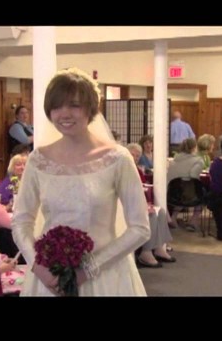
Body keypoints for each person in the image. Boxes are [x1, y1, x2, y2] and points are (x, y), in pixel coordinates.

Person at [12, 67, 150, 296]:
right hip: (50, 278)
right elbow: (21, 221)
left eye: (74, 105)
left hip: (105, 276)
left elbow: (140, 228)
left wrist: (88, 269)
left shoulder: (117, 158)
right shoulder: (38, 160)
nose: (64, 114)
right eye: (56, 107)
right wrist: (38, 267)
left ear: (90, 109)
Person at [125, 143, 175, 268]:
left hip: (139, 202)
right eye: (133, 155)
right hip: (127, 205)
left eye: (137, 156)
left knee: (161, 212)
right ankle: (146, 252)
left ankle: (159, 247)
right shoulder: (124, 170)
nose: (135, 158)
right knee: (151, 215)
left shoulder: (138, 170)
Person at [166, 138, 206, 232]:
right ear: (194, 148)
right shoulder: (198, 160)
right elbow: (193, 175)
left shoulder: (174, 160)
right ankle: (193, 221)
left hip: (171, 193)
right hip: (189, 194)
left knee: (181, 193)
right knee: (203, 193)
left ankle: (173, 218)